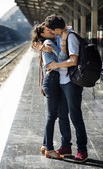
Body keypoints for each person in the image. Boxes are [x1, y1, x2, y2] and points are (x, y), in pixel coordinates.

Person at [44, 14, 88, 163]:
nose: (51, 33)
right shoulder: (59, 37)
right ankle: (66, 146)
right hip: (62, 82)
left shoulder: (71, 37)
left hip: (71, 82)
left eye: (52, 30)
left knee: (75, 116)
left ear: (57, 28)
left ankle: (82, 149)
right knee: (62, 115)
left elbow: (73, 60)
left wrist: (56, 65)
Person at [31, 23, 68, 160]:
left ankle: (45, 145)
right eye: (48, 30)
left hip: (52, 79)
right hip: (52, 79)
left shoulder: (46, 42)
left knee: (51, 115)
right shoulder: (47, 42)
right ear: (42, 34)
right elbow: (62, 57)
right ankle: (50, 150)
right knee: (51, 116)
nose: (51, 31)